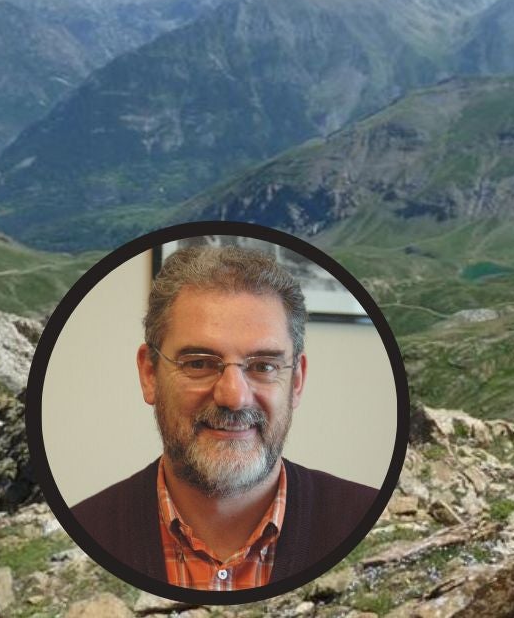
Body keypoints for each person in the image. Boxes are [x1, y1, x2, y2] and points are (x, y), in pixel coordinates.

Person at [71, 245, 378, 591]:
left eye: (263, 366)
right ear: (149, 374)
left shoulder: (373, 522)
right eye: (199, 363)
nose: (234, 397)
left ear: (297, 381)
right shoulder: (79, 533)